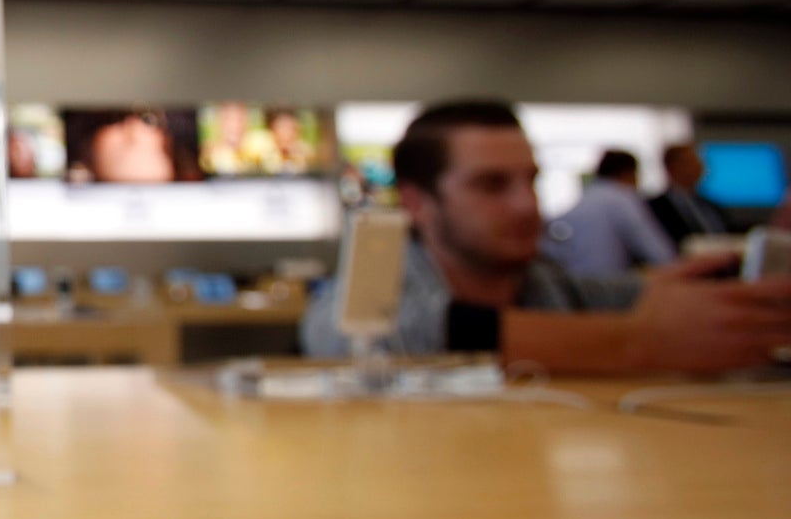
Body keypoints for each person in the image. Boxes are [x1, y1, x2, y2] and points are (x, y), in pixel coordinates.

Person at [301, 101, 791, 373]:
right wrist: (646, 341)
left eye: (530, 180)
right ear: (415, 202)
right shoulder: (374, 295)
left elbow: (640, 297)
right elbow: (385, 336)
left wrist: (712, 287)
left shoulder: (551, 287)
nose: (525, 204)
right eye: (492, 185)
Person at [543, 149, 675, 276]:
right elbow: (658, 254)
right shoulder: (623, 198)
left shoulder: (586, 197)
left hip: (574, 286)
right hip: (610, 287)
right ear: (628, 173)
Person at [648, 143, 732, 247]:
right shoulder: (655, 207)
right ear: (671, 168)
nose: (699, 167)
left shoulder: (710, 205)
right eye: (691, 162)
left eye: (699, 162)